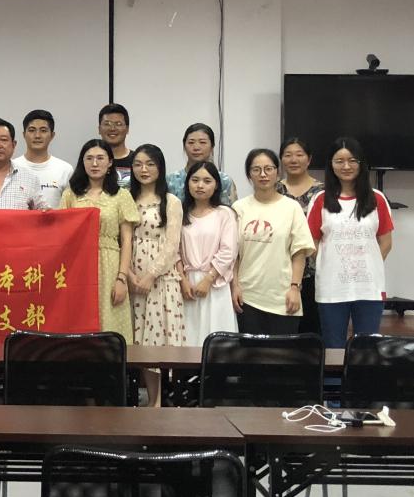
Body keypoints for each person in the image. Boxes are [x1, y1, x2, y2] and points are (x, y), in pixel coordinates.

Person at [307, 137, 394, 349]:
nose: (346, 166)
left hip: (369, 288)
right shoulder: (320, 199)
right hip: (331, 288)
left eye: (352, 160)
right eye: (339, 161)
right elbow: (312, 244)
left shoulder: (377, 198)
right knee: (333, 347)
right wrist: (332, 263)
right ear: (331, 165)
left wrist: (366, 264)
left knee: (367, 348)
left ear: (361, 163)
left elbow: (385, 242)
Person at [60, 139, 138, 343]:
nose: (95, 163)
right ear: (82, 162)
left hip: (110, 264)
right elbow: (61, 234)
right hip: (78, 266)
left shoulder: (121, 195)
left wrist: (122, 278)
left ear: (110, 162)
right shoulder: (70, 195)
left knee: (110, 323)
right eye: (89, 158)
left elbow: (127, 240)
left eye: (100, 158)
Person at [231, 148, 315, 336]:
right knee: (250, 352)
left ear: (277, 172)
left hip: (283, 298)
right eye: (256, 169)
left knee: (281, 353)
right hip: (247, 297)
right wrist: (234, 286)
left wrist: (295, 288)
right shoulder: (239, 208)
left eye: (268, 169)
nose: (263, 174)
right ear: (249, 175)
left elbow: (299, 253)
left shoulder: (291, 207)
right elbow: (234, 255)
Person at [128, 144, 185, 405]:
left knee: (158, 339)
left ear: (160, 168)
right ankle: (148, 399)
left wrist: (150, 275)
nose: (144, 169)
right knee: (138, 340)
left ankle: (159, 401)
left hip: (161, 280)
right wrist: (129, 275)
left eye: (150, 164)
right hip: (132, 280)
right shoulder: (126, 198)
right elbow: (122, 240)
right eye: (138, 164)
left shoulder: (171, 202)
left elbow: (172, 245)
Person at [179, 161, 238, 346]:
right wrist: (183, 280)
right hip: (187, 285)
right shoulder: (180, 213)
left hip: (215, 283)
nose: (200, 185)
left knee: (216, 341)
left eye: (207, 181)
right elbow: (175, 251)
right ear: (187, 183)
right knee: (189, 338)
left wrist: (208, 279)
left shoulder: (224, 213)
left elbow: (228, 251)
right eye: (195, 180)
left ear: (216, 185)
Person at [277, 136, 325, 335]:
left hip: (316, 271)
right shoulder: (274, 190)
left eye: (299, 155)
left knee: (312, 332)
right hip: (280, 272)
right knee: (283, 332)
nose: (293, 160)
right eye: (288, 155)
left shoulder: (323, 192)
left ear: (309, 159)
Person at [12, 109, 74, 210]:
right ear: (24, 134)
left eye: (43, 130)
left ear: (52, 135)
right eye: (32, 130)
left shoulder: (65, 169)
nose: (37, 136)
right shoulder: (12, 167)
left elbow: (71, 208)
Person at [166, 123, 238, 206]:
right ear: (184, 146)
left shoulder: (225, 180)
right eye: (191, 142)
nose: (196, 147)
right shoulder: (171, 180)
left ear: (212, 147)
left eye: (202, 142)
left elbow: (232, 210)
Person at [97, 103, 134, 187]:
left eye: (118, 124)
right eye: (107, 124)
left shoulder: (136, 160)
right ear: (99, 129)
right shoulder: (92, 161)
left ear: (127, 129)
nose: (112, 129)